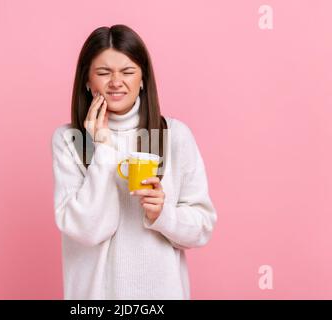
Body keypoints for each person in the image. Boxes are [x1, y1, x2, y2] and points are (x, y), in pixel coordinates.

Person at [51, 24, 217, 299]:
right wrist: (102, 147)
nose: (117, 82)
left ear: (143, 79)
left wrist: (162, 215)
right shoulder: (70, 140)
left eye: (128, 72)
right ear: (87, 81)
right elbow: (88, 231)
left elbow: (202, 228)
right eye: (104, 73)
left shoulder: (172, 136)